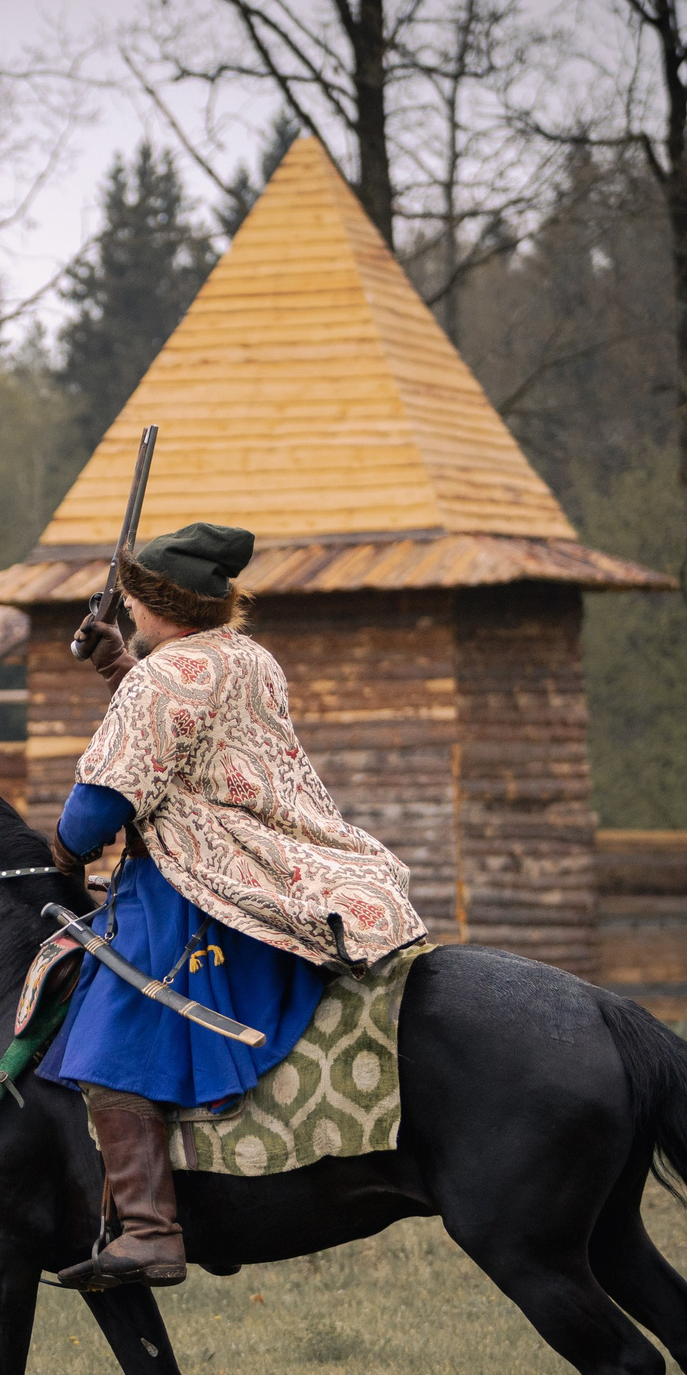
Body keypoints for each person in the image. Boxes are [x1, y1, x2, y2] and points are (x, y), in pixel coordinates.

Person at [39, 522, 428, 1290]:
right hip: (278, 868)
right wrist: (120, 660)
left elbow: (101, 804)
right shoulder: (251, 658)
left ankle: (150, 1231)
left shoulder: (162, 680)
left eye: (135, 601)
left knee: (109, 1035)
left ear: (153, 602)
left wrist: (59, 853)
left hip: (198, 885)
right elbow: (188, 725)